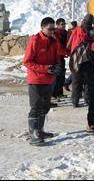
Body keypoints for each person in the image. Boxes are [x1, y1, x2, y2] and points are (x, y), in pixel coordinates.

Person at [22, 17, 61, 146]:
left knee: (45, 106)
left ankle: (40, 130)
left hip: (48, 79)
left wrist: (57, 66)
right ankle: (33, 133)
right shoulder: (35, 40)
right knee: (36, 106)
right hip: (36, 79)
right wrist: (45, 69)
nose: (52, 31)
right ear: (42, 28)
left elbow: (56, 58)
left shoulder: (53, 41)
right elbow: (27, 61)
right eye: (50, 29)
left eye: (53, 29)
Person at [67, 14, 94, 107]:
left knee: (76, 80)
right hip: (86, 57)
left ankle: (75, 101)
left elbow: (69, 43)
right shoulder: (89, 31)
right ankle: (87, 100)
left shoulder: (77, 29)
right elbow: (87, 41)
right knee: (87, 80)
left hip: (75, 57)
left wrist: (70, 51)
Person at [51, 18, 68, 102]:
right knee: (57, 76)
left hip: (62, 57)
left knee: (62, 76)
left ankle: (60, 93)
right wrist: (67, 52)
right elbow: (59, 47)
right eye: (62, 24)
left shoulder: (65, 32)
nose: (64, 25)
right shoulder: (56, 34)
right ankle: (53, 94)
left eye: (64, 24)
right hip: (56, 57)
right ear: (57, 25)